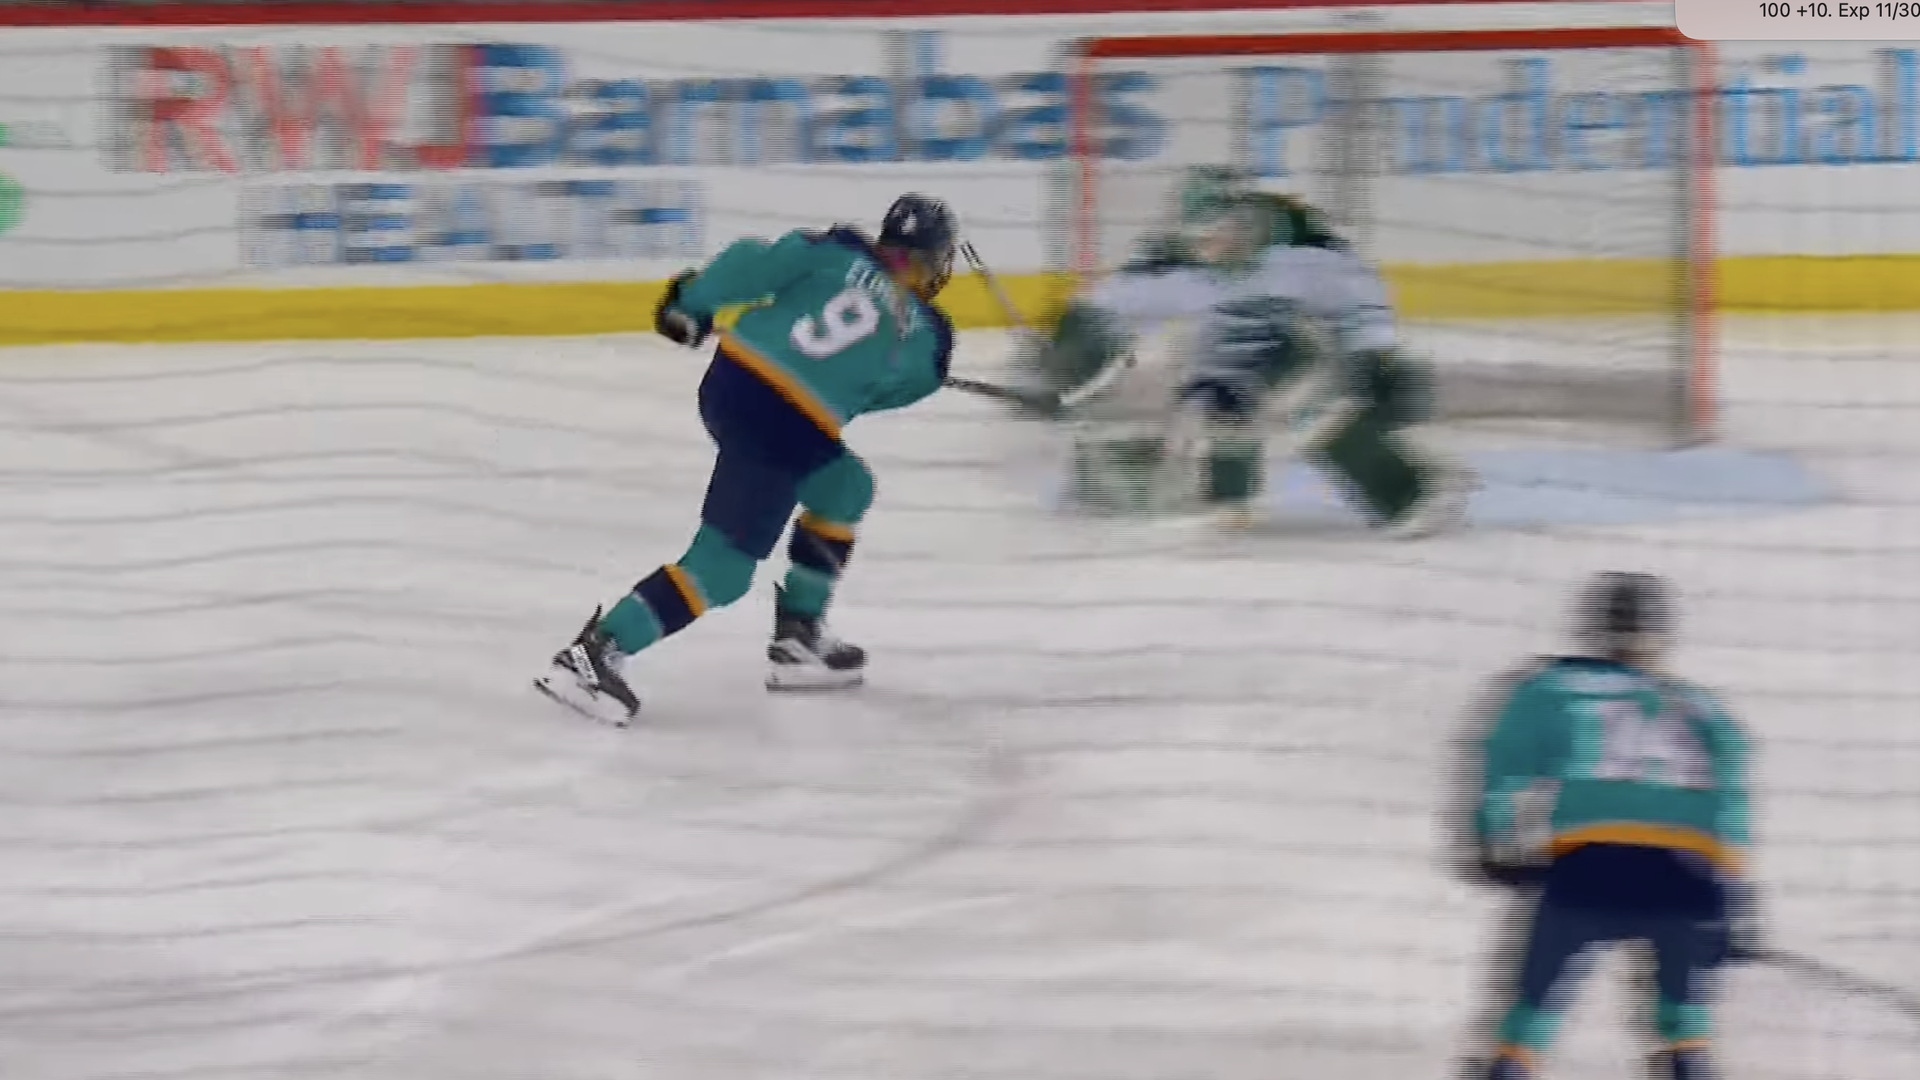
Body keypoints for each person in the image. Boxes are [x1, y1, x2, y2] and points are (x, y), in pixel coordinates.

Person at [535, 194, 959, 725]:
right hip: (787, 423)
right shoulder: (925, 333)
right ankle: (595, 653)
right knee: (725, 569)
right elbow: (893, 390)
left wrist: (691, 303)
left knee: (845, 486)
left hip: (733, 382)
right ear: (936, 260)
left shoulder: (830, 252)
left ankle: (799, 637)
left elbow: (749, 262)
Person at [1026, 166, 1466, 534]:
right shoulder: (1168, 269)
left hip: (1301, 345)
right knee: (1217, 398)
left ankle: (1412, 494)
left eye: (1226, 230)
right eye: (1202, 236)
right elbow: (1096, 312)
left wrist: (1377, 356)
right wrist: (1059, 367)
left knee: (1309, 404)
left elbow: (1358, 300)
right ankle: (1227, 498)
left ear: (1249, 220)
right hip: (1223, 353)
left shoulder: (1301, 249)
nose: (1216, 245)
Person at [1462, 571, 1757, 1080]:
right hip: (1687, 876)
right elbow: (1730, 800)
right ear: (1660, 633)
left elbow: (1502, 766)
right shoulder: (1701, 706)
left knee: (1529, 1020)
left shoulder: (1551, 686)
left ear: (1593, 627)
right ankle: (1687, 1057)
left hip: (1590, 867)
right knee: (1685, 1028)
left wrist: (1495, 844)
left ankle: (1513, 1062)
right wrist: (1733, 900)